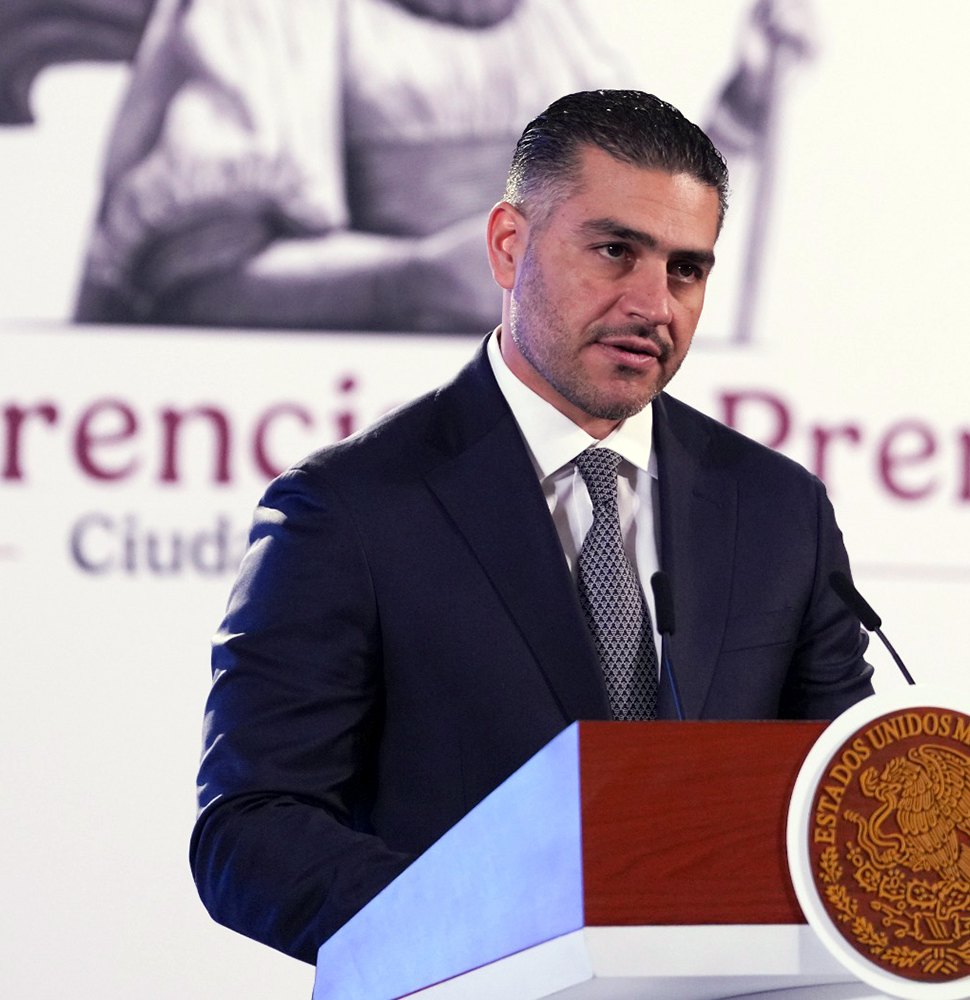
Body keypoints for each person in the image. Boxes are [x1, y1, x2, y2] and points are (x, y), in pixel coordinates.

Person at [192, 90, 874, 964]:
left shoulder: (779, 510)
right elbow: (251, 829)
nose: (652, 303)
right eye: (615, 251)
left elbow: (845, 799)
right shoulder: (349, 511)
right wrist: (497, 930)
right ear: (509, 245)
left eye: (686, 270)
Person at [71, 0, 813, 334]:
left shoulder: (553, 28)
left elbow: (628, 229)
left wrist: (744, 107)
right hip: (321, 442)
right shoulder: (271, 14)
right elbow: (193, 281)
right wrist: (415, 280)